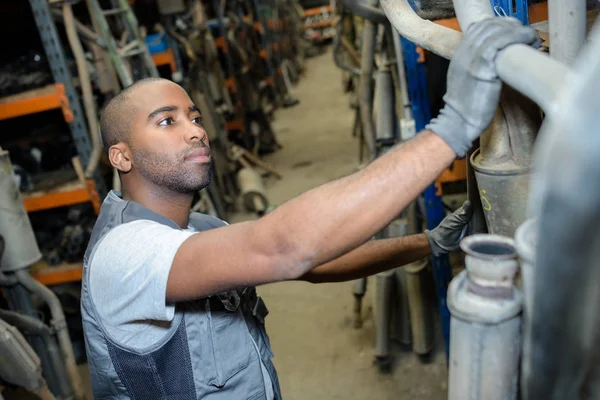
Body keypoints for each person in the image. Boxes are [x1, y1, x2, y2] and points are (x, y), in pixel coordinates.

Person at [81, 17, 537, 400]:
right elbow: (286, 247)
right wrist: (454, 126)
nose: (197, 131)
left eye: (195, 117)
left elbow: (314, 264)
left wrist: (431, 242)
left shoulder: (200, 229)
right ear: (121, 156)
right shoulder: (125, 253)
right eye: (167, 121)